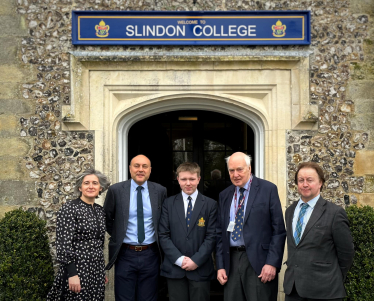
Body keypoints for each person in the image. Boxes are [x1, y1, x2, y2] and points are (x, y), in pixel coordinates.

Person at [216, 152, 286, 301]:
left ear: (249, 168)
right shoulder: (225, 195)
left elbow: (278, 230)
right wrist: (220, 265)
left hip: (260, 263)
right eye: (231, 170)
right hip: (231, 262)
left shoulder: (268, 189)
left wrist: (272, 263)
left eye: (239, 169)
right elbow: (219, 233)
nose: (235, 174)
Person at [283, 162, 355, 301]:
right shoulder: (290, 211)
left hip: (325, 291)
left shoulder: (334, 213)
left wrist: (332, 277)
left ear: (320, 182)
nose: (305, 184)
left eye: (310, 180)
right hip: (293, 290)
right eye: (301, 180)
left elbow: (346, 252)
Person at [103, 154, 167, 301]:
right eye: (136, 166)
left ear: (150, 170)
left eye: (144, 166)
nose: (140, 169)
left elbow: (163, 220)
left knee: (149, 298)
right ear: (130, 169)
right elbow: (107, 218)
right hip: (125, 254)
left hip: (151, 254)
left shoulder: (160, 191)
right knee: (124, 297)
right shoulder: (116, 190)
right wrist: (119, 235)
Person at [47, 169, 110, 300]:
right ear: (80, 187)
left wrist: (100, 271)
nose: (91, 186)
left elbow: (99, 243)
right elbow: (63, 243)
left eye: (95, 183)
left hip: (96, 270)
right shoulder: (70, 208)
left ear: (100, 188)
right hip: (77, 268)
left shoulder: (100, 211)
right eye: (86, 183)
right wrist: (72, 274)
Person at [159, 162, 217, 301]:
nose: (188, 183)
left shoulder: (210, 204)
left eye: (192, 179)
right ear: (178, 179)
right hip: (174, 269)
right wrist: (179, 259)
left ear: (199, 179)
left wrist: (196, 260)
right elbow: (163, 235)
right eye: (184, 179)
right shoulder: (168, 204)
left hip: (200, 269)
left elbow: (212, 236)